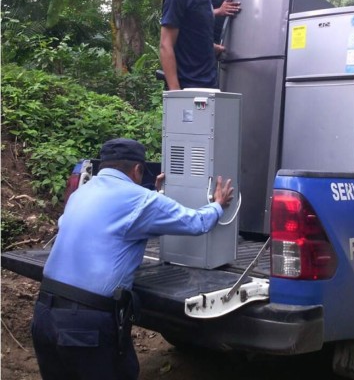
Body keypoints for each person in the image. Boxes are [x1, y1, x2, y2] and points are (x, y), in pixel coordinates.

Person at [31, 138, 233, 380]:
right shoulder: (143, 201)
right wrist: (218, 205)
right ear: (138, 169)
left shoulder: (81, 193)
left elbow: (116, 217)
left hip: (44, 314)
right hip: (85, 324)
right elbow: (196, 222)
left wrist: (154, 194)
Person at [159, 0, 241, 90]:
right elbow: (166, 44)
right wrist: (175, 92)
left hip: (209, 83)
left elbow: (193, 31)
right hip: (186, 85)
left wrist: (211, 47)